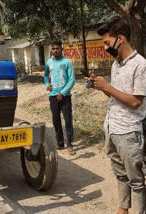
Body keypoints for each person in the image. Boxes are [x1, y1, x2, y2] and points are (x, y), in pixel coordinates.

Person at [86, 16, 146, 214]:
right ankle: (124, 207)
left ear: (120, 38)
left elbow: (136, 102)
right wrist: (101, 86)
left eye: (106, 43)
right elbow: (116, 94)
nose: (105, 48)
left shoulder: (140, 65)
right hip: (112, 127)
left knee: (136, 180)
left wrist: (107, 87)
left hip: (129, 131)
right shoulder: (116, 64)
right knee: (120, 174)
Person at [44, 40, 76, 155]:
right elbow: (45, 76)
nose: (55, 50)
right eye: (53, 49)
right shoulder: (49, 63)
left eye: (57, 48)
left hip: (65, 96)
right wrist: (47, 85)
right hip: (53, 96)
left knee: (68, 121)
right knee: (56, 120)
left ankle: (70, 144)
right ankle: (60, 143)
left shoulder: (67, 62)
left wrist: (62, 93)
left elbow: (72, 80)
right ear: (51, 50)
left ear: (61, 49)